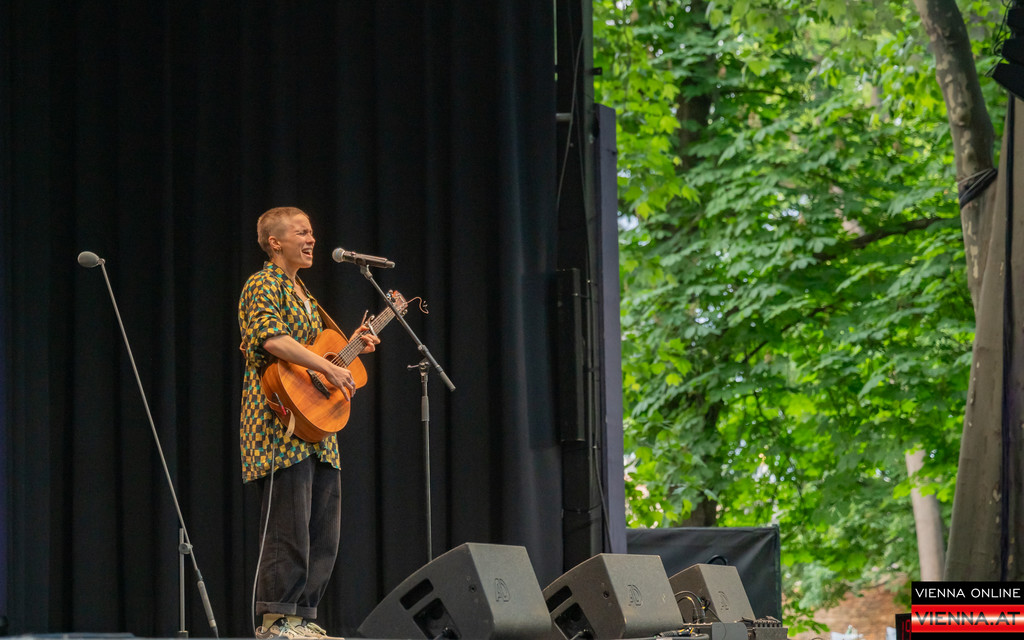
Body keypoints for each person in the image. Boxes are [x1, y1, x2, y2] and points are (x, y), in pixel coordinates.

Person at [238, 206, 379, 640]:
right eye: (301, 233)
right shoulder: (263, 283)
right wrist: (329, 367)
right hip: (279, 422)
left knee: (322, 531)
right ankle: (275, 620)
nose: (312, 239)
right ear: (275, 242)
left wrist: (352, 349)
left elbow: (320, 358)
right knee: (288, 529)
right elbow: (271, 339)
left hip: (318, 429)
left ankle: (301, 618)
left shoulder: (306, 295)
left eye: (312, 232)